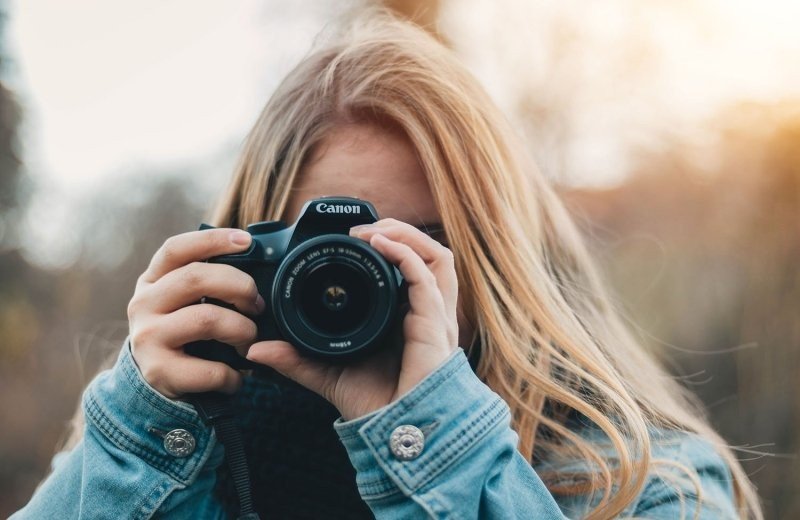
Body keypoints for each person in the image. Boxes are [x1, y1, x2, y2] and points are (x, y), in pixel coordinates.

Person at [13, 10, 762, 520]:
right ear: (251, 253)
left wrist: (430, 437)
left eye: (417, 245)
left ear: (497, 259)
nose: (358, 283)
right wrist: (137, 434)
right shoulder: (181, 447)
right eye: (324, 255)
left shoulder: (641, 482)